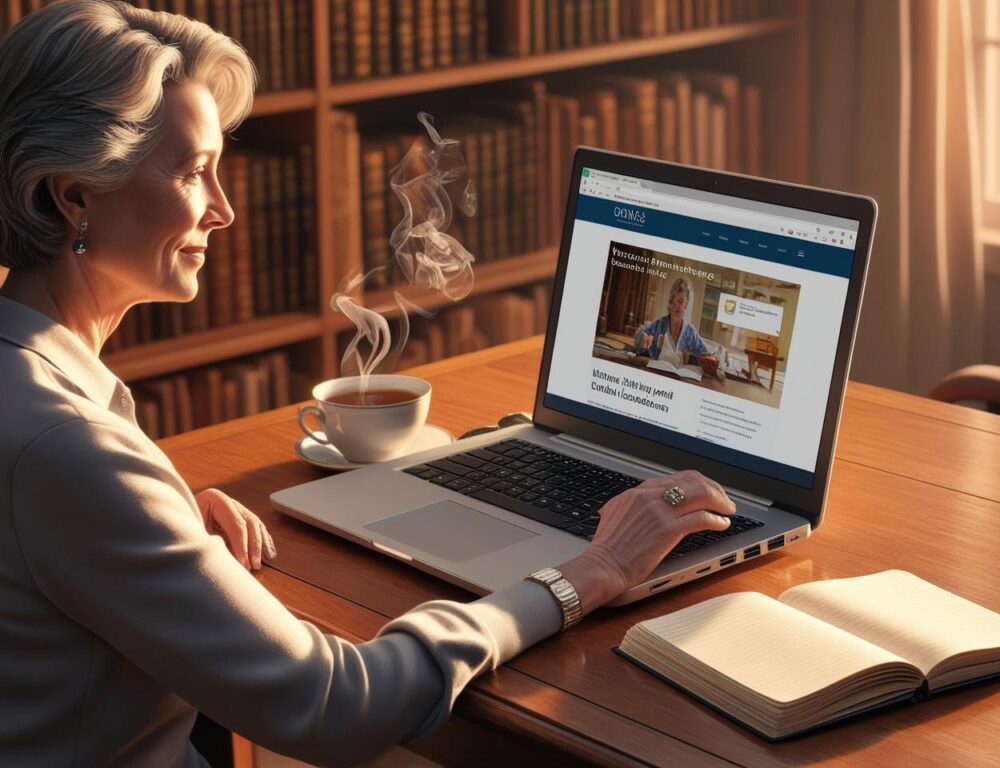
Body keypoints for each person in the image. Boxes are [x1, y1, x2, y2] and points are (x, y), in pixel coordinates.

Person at [0, 3, 736, 766]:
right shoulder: (67, 448)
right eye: (192, 172)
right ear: (75, 195)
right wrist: (588, 572)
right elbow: (335, 704)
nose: (224, 210)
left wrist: (153, 521)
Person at [634, 276, 719, 376]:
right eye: (672, 301)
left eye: (680, 302)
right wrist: (643, 338)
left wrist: (713, 359)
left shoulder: (690, 332)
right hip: (656, 374)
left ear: (686, 304)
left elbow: (706, 355)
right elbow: (639, 339)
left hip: (678, 378)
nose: (676, 306)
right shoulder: (660, 325)